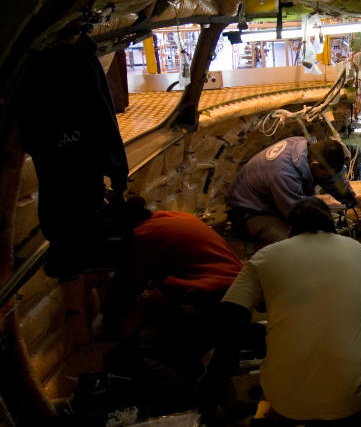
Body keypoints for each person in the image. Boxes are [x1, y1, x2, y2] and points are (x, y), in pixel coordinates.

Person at [206, 197, 361, 425]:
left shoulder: (263, 259)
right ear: (331, 226)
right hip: (355, 397)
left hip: (285, 401)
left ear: (291, 229)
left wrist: (264, 342)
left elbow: (226, 322)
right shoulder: (358, 251)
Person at [102, 197, 242, 415]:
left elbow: (127, 285)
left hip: (211, 298)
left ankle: (180, 404)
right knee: (177, 335)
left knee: (145, 347)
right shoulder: (173, 217)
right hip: (234, 293)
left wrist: (112, 328)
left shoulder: (143, 236)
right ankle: (191, 387)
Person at [18, 21, 129, 278]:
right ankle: (78, 258)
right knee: (78, 213)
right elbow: (103, 120)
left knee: (64, 214)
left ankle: (69, 259)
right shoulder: (83, 61)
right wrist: (118, 174)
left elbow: (28, 131)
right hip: (81, 170)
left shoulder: (33, 65)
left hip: (55, 171)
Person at [225, 137, 358, 244]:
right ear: (314, 165)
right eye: (327, 174)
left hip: (273, 200)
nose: (329, 177)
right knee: (296, 245)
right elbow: (301, 218)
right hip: (249, 211)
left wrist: (351, 201)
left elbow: (333, 179)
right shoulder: (285, 175)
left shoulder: (309, 149)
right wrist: (340, 223)